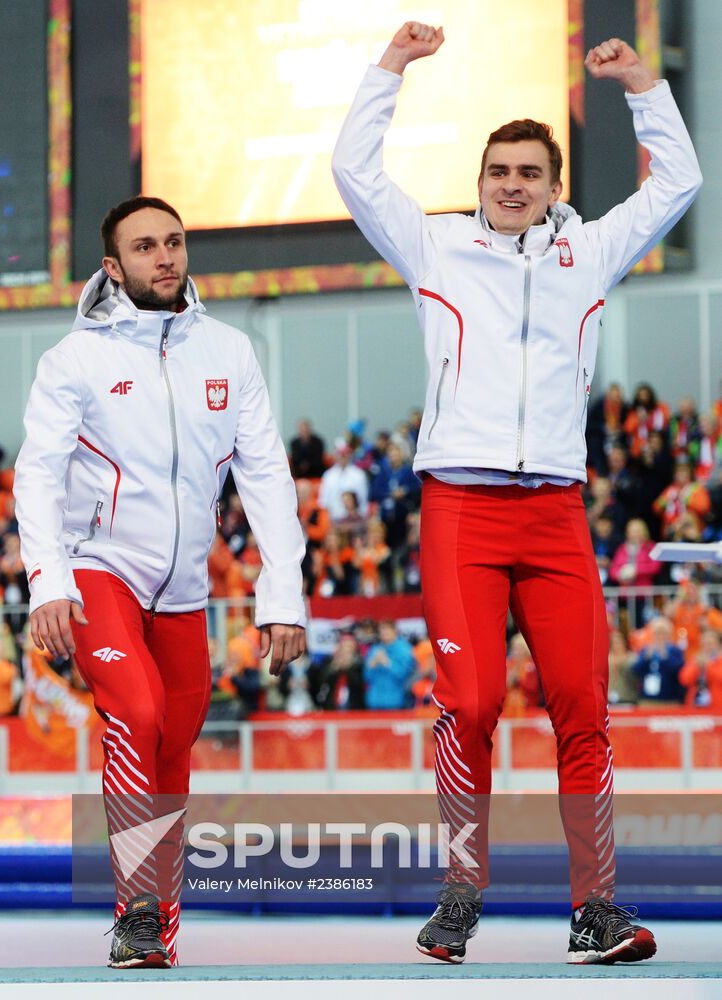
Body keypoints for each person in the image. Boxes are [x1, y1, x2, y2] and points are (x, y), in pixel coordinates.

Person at [333, 22, 700, 965]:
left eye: (529, 171)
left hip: (556, 512)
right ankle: (460, 894)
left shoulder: (593, 253)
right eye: (499, 169)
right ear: (482, 178)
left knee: (583, 703)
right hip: (461, 508)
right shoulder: (437, 250)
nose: (511, 184)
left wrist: (641, 87)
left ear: (555, 186)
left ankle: (595, 910)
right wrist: (391, 69)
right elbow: (355, 172)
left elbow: (679, 184)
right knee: (473, 699)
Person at [13, 195, 306, 969]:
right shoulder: (75, 360)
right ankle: (137, 909)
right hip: (99, 567)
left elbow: (267, 477)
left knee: (174, 750)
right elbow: (36, 474)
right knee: (136, 714)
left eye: (173, 242)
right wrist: (49, 582)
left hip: (183, 592)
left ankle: (154, 935)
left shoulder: (230, 351)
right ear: (113, 268)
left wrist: (284, 596)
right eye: (144, 248)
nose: (165, 257)